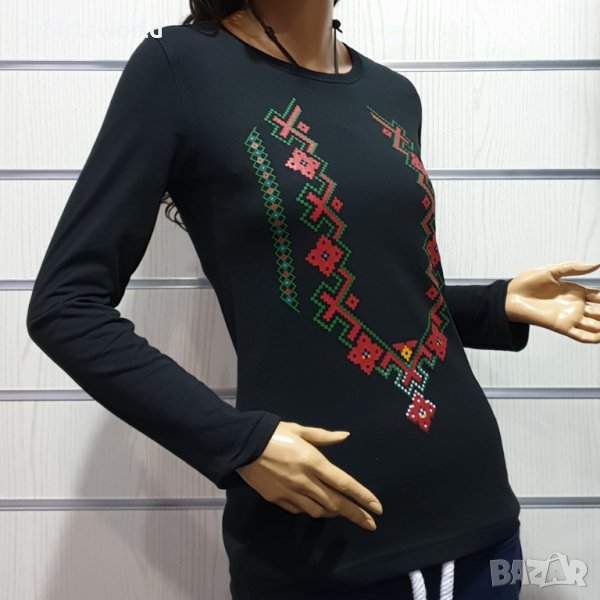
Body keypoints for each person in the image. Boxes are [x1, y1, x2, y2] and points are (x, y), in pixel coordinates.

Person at [26, 1, 600, 599]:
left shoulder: (394, 95)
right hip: (325, 541)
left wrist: (494, 304)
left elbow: (357, 299)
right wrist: (236, 442)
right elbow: (66, 306)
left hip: (478, 516)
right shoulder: (180, 68)